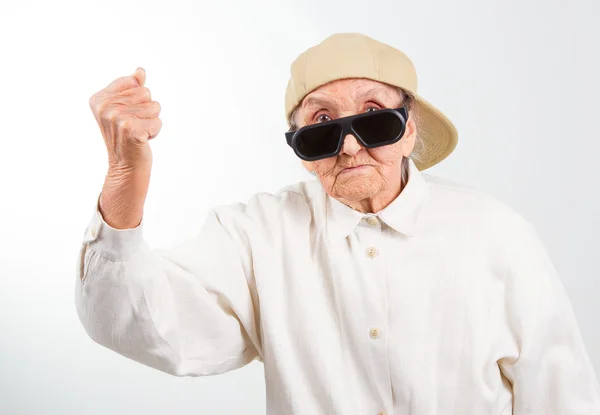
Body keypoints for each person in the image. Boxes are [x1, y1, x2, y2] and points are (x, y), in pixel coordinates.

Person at [75, 33, 600, 414]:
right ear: (300, 149)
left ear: (409, 130)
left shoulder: (496, 234)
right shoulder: (256, 235)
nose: (349, 146)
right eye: (322, 125)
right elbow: (143, 326)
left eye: (373, 116)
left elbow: (559, 395)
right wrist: (126, 174)